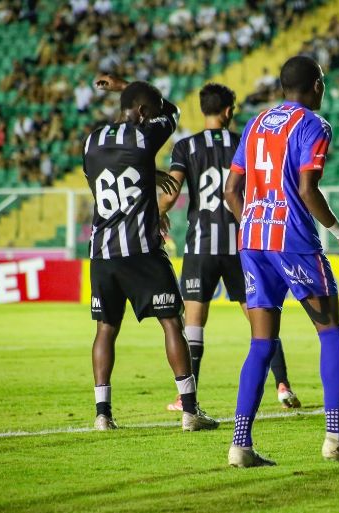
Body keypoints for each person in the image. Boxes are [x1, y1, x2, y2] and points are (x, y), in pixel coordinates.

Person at [223, 55, 339, 467]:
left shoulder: (254, 124)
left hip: (253, 240)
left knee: (260, 343)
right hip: (292, 238)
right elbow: (308, 189)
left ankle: (240, 446)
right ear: (317, 85)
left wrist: (254, 221)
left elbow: (231, 189)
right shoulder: (313, 125)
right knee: (329, 332)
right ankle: (334, 437)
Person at [84, 74, 218, 433]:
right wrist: (125, 84)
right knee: (172, 321)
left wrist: (145, 173)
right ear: (142, 111)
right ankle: (190, 411)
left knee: (105, 329)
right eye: (151, 112)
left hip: (101, 252)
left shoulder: (91, 141)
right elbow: (172, 111)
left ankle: (102, 414)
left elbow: (107, 176)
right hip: (140, 248)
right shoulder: (144, 135)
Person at [158, 82, 302, 412]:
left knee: (193, 322)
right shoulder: (246, 141)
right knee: (260, 317)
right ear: (228, 111)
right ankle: (281, 384)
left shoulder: (185, 146)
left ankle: (186, 397)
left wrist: (157, 216)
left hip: (201, 246)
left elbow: (171, 192)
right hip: (244, 243)